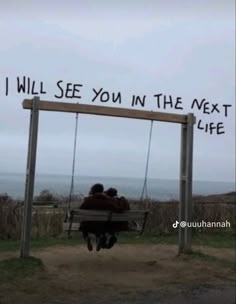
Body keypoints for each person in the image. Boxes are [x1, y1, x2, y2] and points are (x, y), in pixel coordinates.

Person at [79, 183, 123, 251]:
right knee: (100, 225)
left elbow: (80, 211)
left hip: (87, 227)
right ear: (102, 191)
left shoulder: (88, 200)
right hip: (102, 227)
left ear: (93, 191)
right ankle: (99, 237)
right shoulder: (108, 200)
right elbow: (119, 210)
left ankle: (86, 237)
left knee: (84, 224)